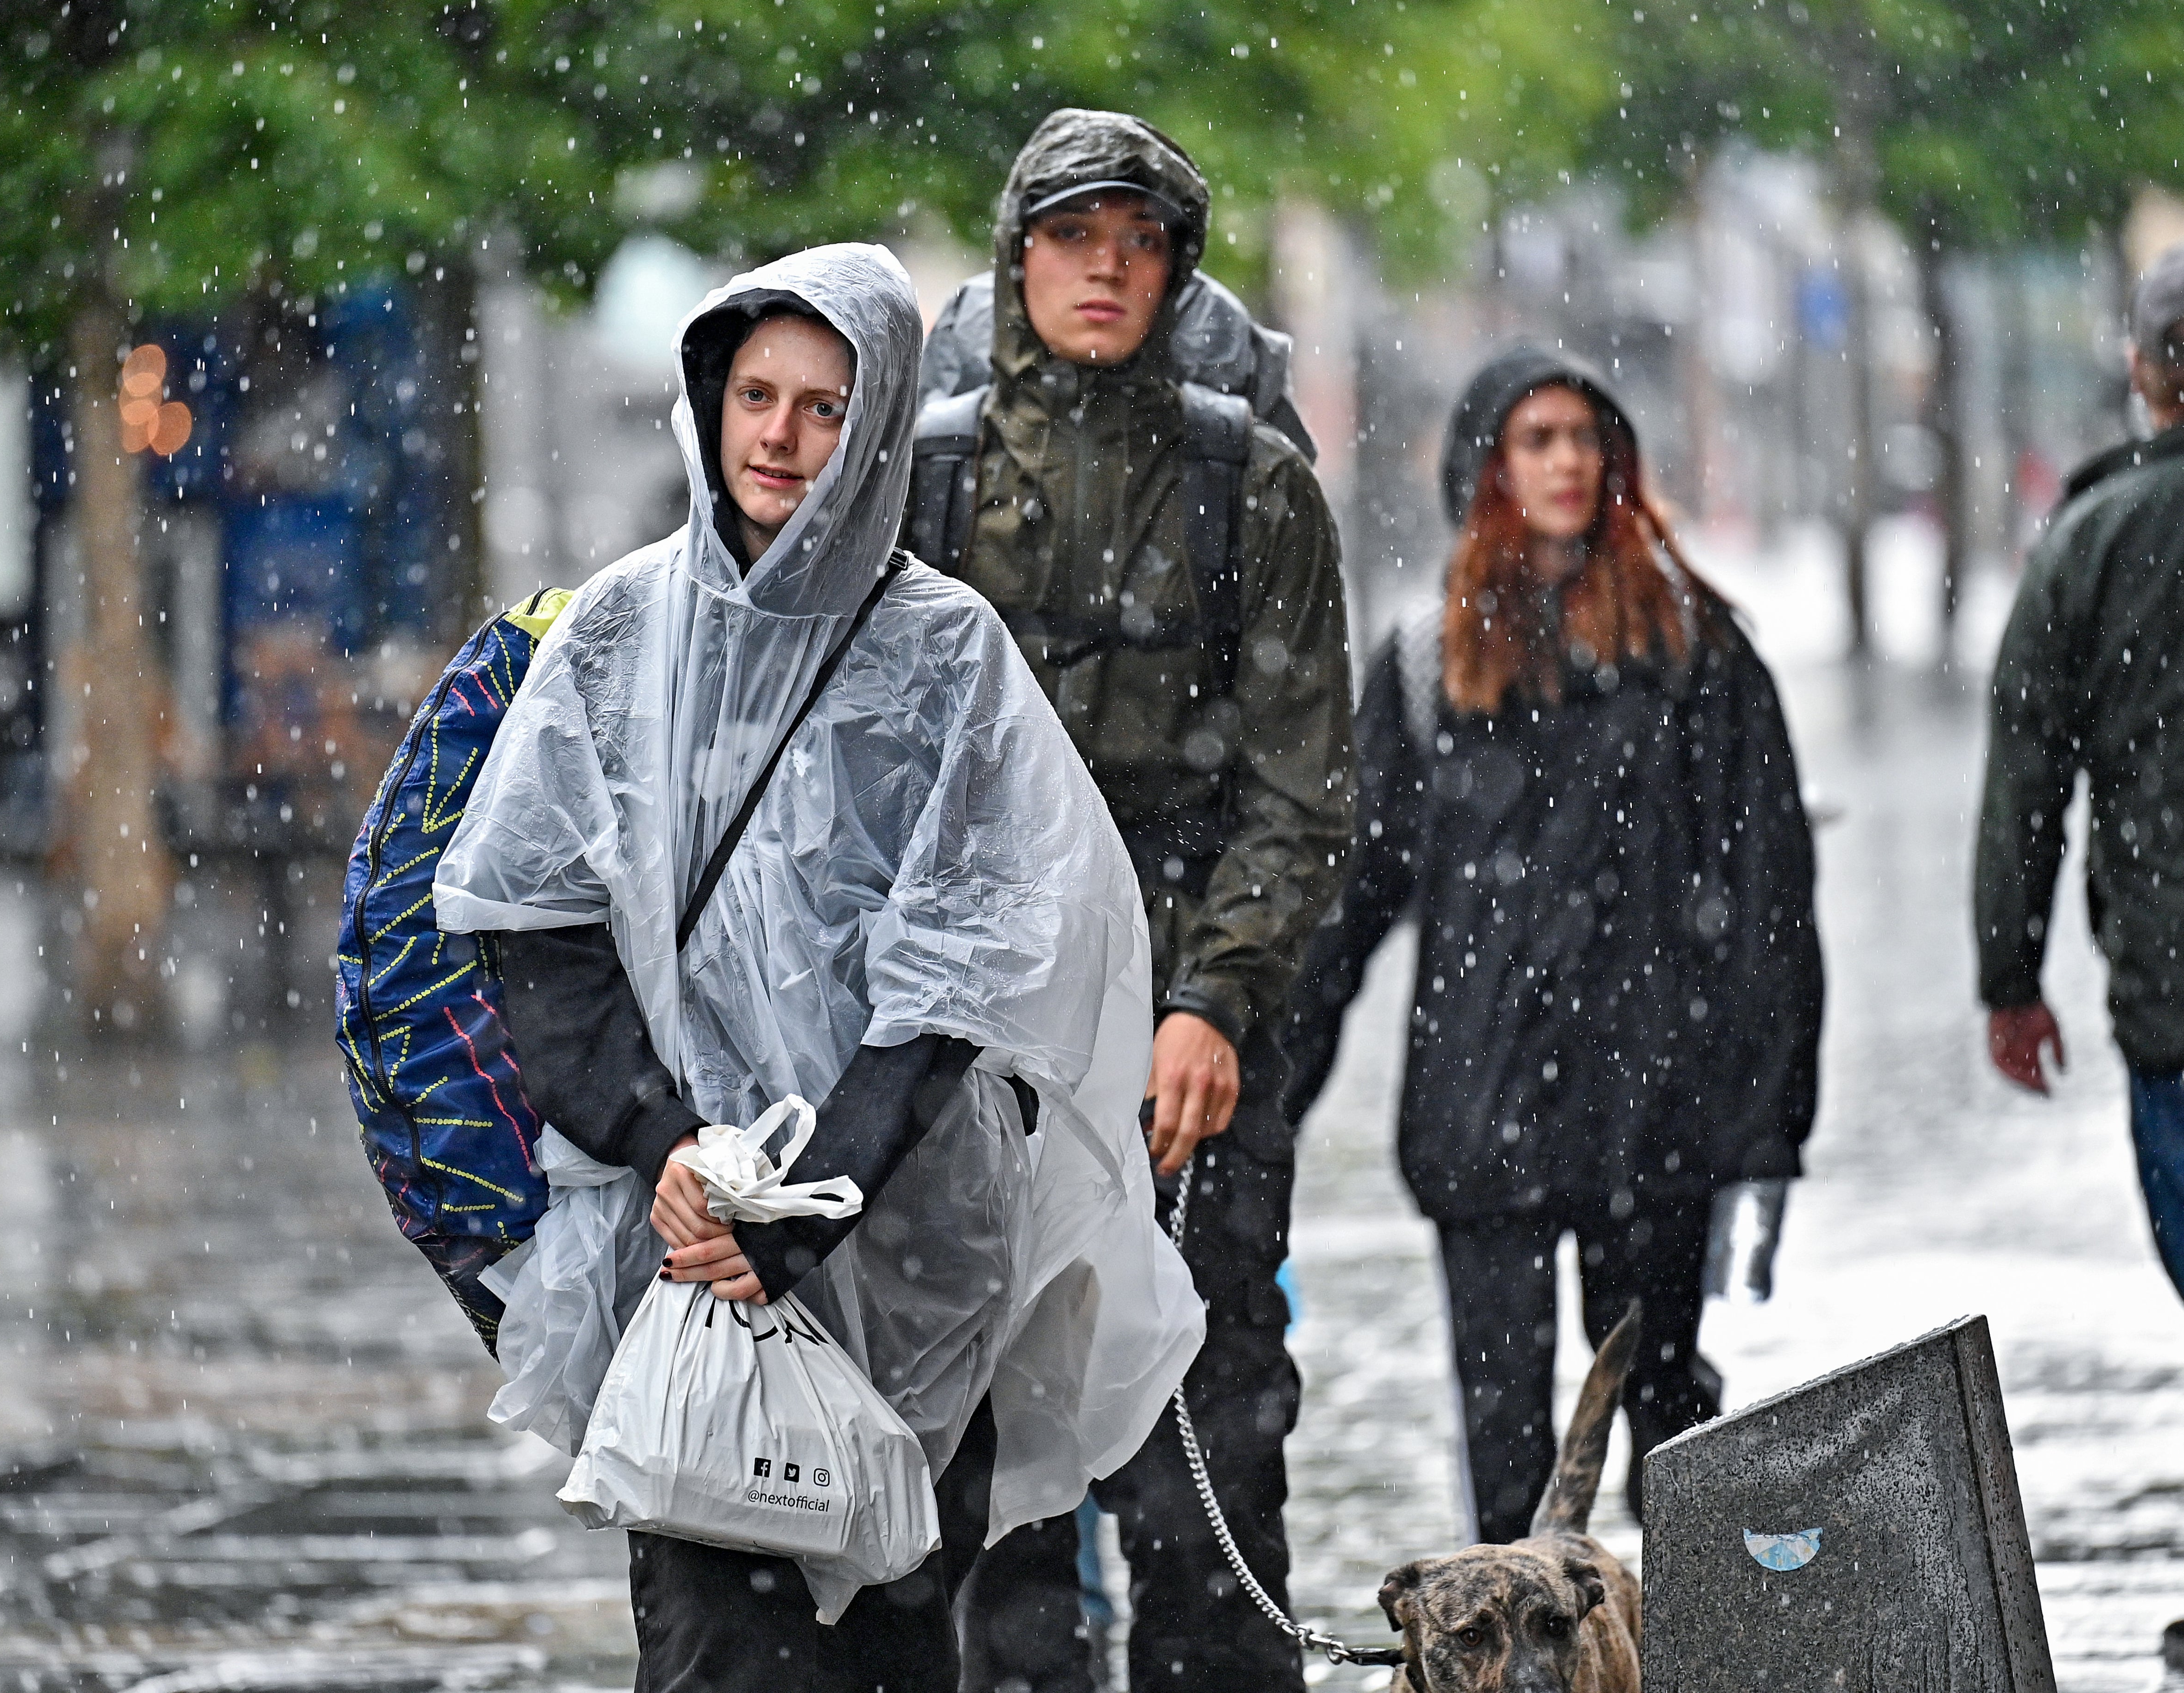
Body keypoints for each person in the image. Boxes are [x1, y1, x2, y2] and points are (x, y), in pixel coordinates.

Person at [431, 244, 1203, 1693]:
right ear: (708, 403)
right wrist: (670, 1151)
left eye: (826, 405)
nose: (778, 437)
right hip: (676, 1250)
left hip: (907, 1248)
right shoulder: (616, 632)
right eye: (754, 395)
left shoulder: (944, 653)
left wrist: (800, 1201)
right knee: (708, 1641)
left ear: (884, 420)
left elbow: (968, 963)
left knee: (894, 1630)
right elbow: (533, 922)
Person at [920, 112, 1355, 1693]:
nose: (1102, 271)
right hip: (973, 1029)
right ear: (1014, 258)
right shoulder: (931, 478)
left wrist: (1212, 999)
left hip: (1190, 1034)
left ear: (1173, 271)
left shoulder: (1255, 488)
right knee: (980, 1432)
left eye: (1136, 243)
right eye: (1070, 239)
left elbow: (1303, 786)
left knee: (1205, 1410)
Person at [1283, 346, 1823, 1545]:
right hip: (1485, 1115)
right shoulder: (1428, 667)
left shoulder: (1696, 651)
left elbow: (1770, 899)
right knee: (1508, 1449)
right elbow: (1347, 892)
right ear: (1487, 469)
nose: (1566, 462)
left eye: (1584, 438)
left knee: (1669, 1416)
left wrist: (1765, 1114)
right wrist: (1266, 1078)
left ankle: (1684, 1644)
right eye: (1536, 439)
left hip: (1658, 1110)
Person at [1977, 239, 2184, 1306]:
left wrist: (2011, 981)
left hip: (2172, 994)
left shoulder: (2089, 541)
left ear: (2145, 371)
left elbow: (2027, 779)